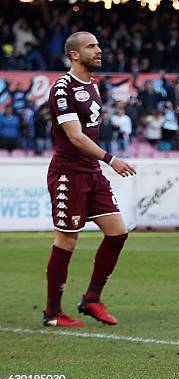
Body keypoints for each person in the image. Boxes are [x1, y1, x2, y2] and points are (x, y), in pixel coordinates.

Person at [42, 32, 136, 328]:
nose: (99, 50)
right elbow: (74, 136)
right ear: (73, 54)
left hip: (92, 173)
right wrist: (111, 159)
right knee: (68, 238)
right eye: (91, 46)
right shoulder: (62, 88)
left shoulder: (92, 86)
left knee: (118, 232)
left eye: (98, 44)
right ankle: (52, 313)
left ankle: (91, 299)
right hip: (69, 174)